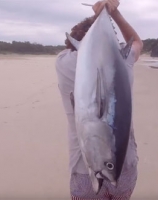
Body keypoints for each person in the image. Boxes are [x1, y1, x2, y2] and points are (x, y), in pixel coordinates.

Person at [55, 0, 143, 199]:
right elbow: (137, 42)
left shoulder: (64, 63)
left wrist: (98, 18)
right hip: (124, 166)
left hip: (84, 170)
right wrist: (115, 15)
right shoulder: (125, 61)